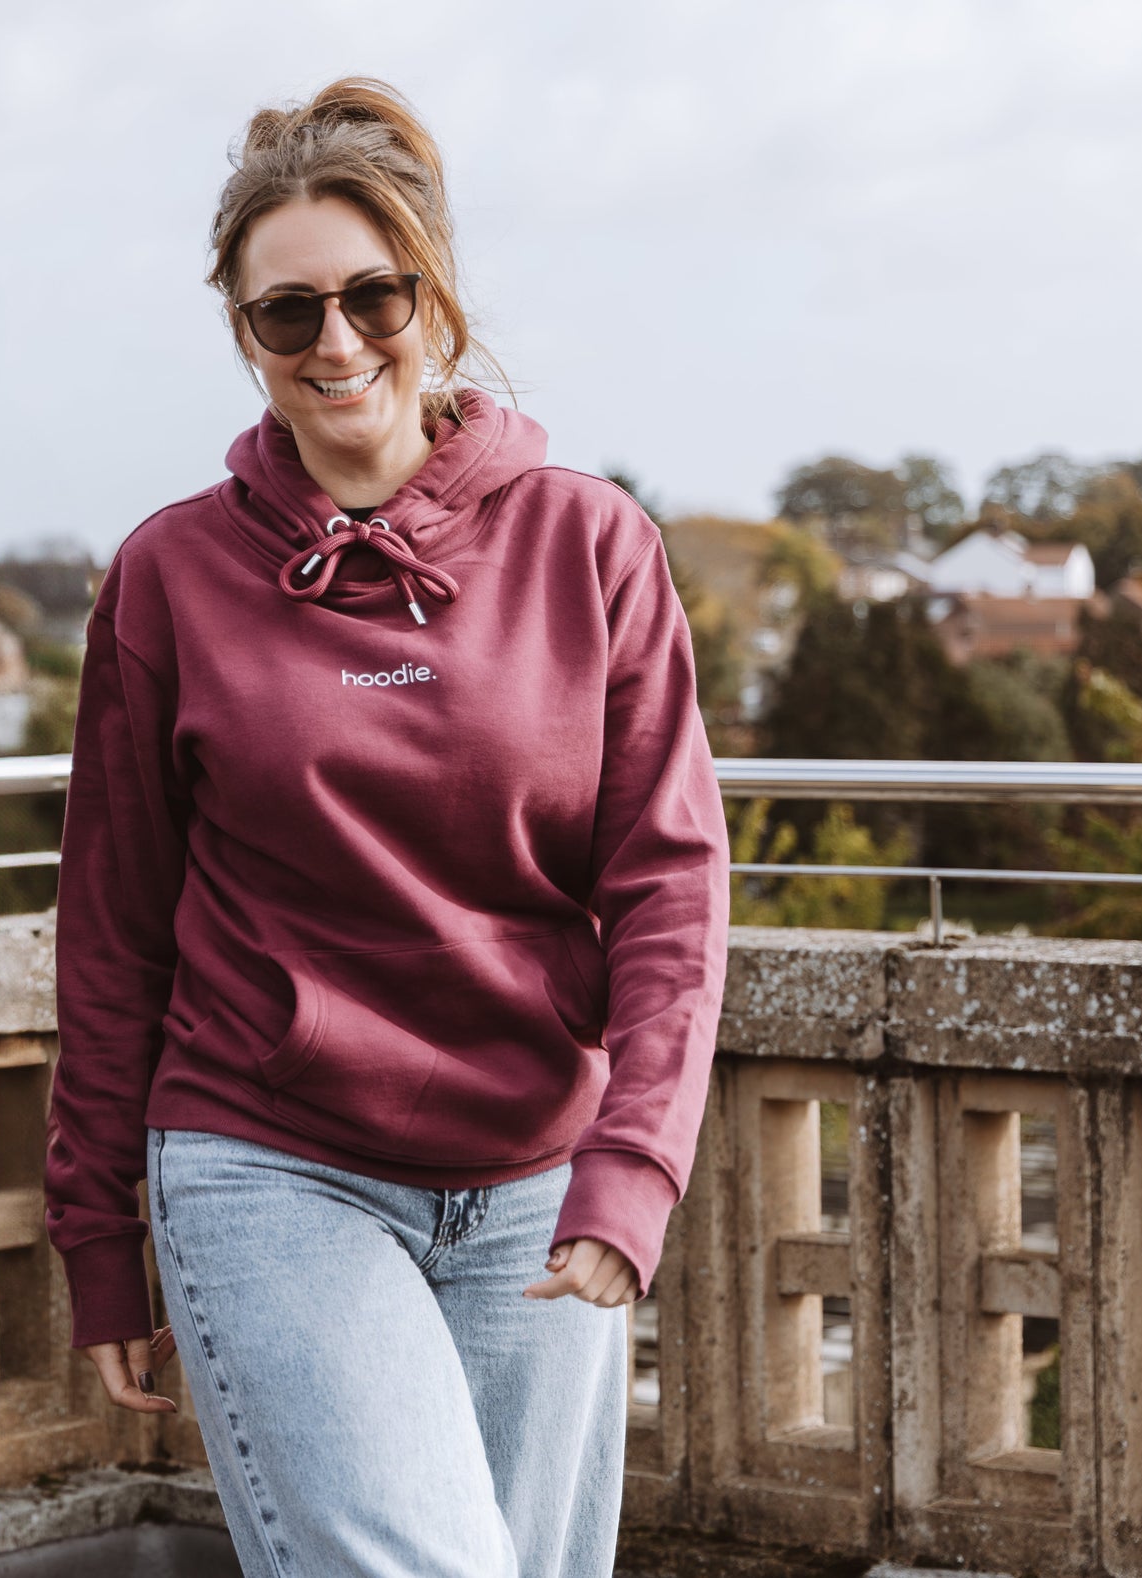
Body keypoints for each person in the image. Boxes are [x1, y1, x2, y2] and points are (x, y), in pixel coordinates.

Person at [43, 76, 730, 1577]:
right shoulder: (170, 577)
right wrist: (96, 1230)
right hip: (267, 1162)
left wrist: (635, 1162)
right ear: (244, 332)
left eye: (373, 297)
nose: (337, 342)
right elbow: (112, 925)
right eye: (288, 312)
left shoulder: (591, 543)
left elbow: (670, 884)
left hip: (536, 1170)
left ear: (435, 300)